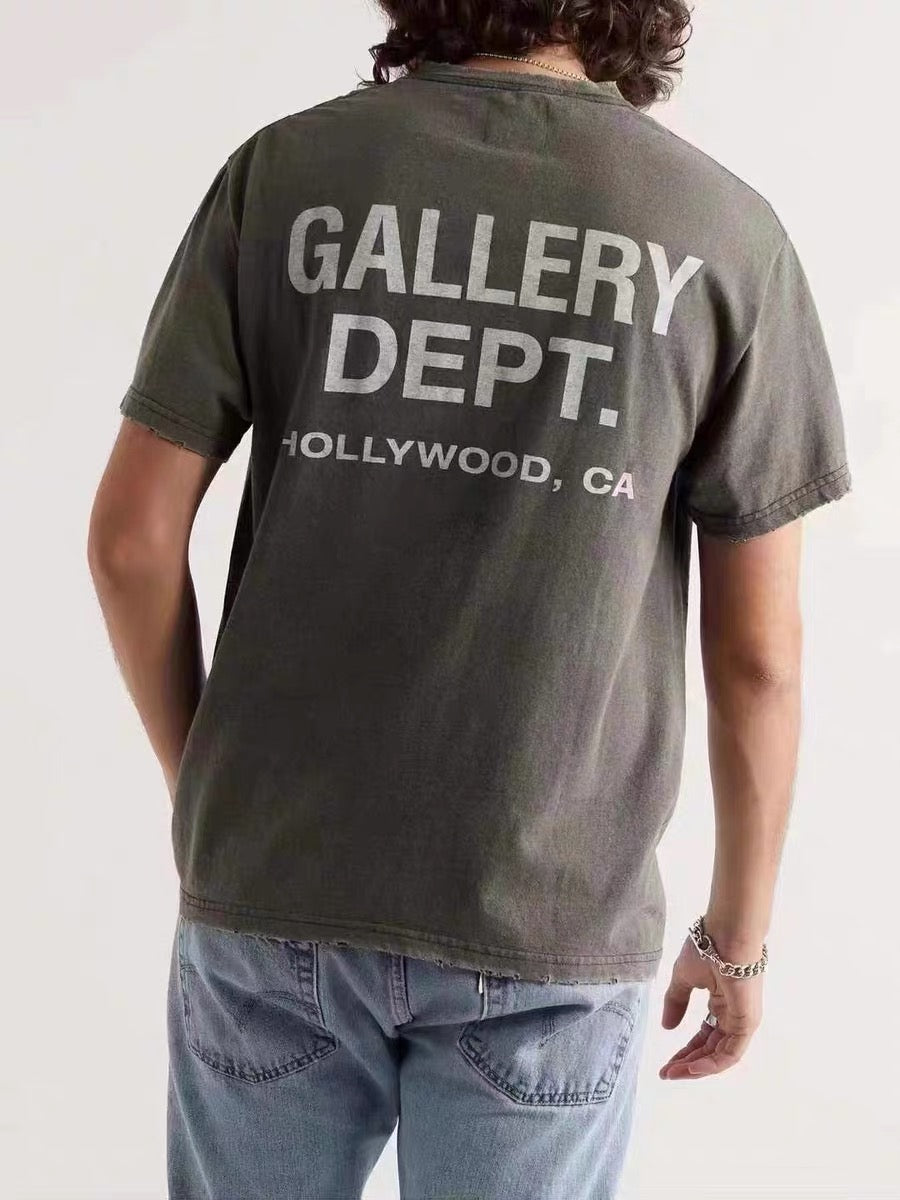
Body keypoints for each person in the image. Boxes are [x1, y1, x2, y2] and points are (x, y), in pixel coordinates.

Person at [87, 2, 852, 1197]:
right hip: (549, 919)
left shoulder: (285, 176)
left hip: (275, 884)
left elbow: (132, 543)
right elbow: (760, 656)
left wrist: (213, 801)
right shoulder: (724, 233)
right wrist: (736, 938)